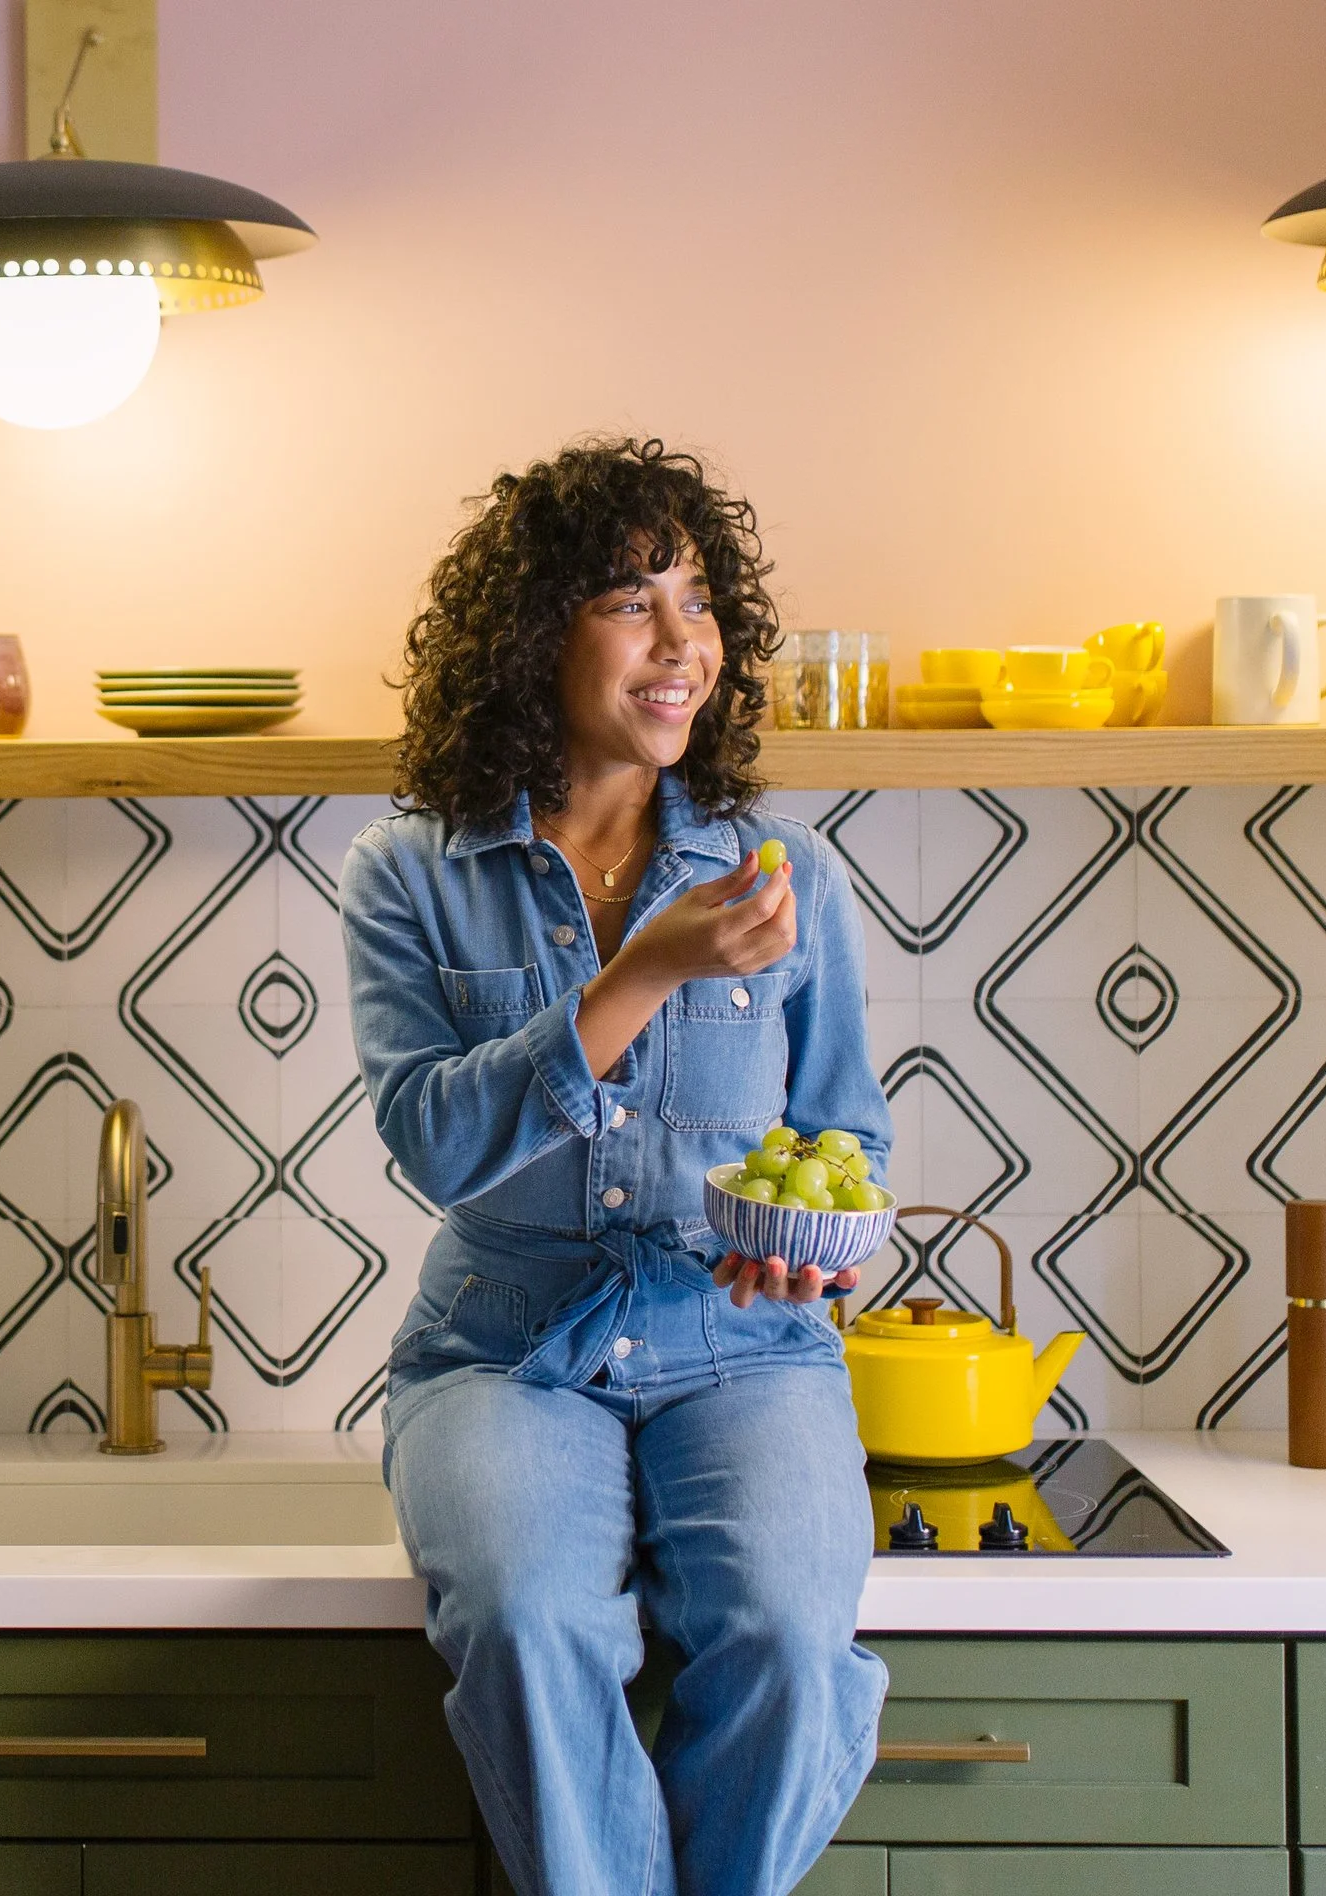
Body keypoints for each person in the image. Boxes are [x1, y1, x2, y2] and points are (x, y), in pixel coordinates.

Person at [340, 437, 892, 1895]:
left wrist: (814, 1239)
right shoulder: (409, 873)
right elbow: (436, 1142)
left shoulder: (785, 880)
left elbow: (843, 1134)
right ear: (536, 637)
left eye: (700, 602)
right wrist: (637, 976)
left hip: (744, 1346)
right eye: (631, 600)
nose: (681, 645)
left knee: (784, 1627)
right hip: (504, 1351)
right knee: (525, 1619)